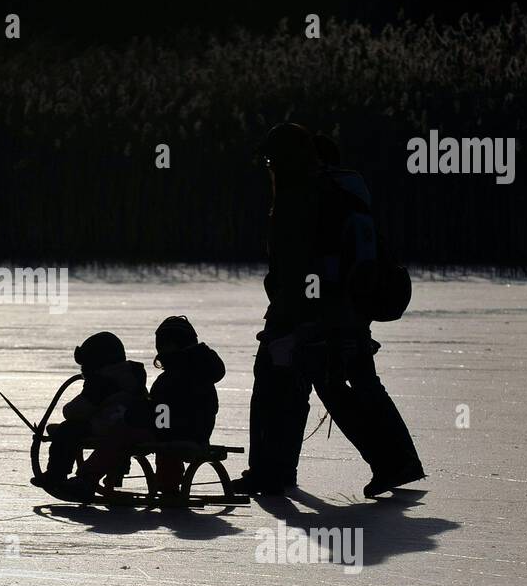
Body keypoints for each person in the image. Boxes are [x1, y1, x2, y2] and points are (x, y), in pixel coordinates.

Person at [241, 123, 425, 498]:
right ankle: (398, 461)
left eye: (273, 159)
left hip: (314, 315)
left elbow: (300, 267)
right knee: (352, 385)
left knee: (281, 386)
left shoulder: (304, 196)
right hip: (347, 312)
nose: (270, 167)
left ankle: (272, 472)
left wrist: (294, 323)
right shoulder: (342, 192)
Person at [37, 331, 148, 501]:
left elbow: (78, 410)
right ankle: (110, 472)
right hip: (124, 425)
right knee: (69, 430)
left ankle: (56, 474)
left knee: (68, 430)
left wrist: (68, 409)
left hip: (106, 426)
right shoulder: (131, 376)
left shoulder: (101, 381)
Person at [148, 316, 225, 495]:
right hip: (200, 434)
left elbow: (162, 412)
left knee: (165, 445)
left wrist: (156, 432)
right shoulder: (202, 373)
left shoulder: (170, 380)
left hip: (178, 436)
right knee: (167, 440)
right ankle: (169, 481)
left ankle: (169, 485)